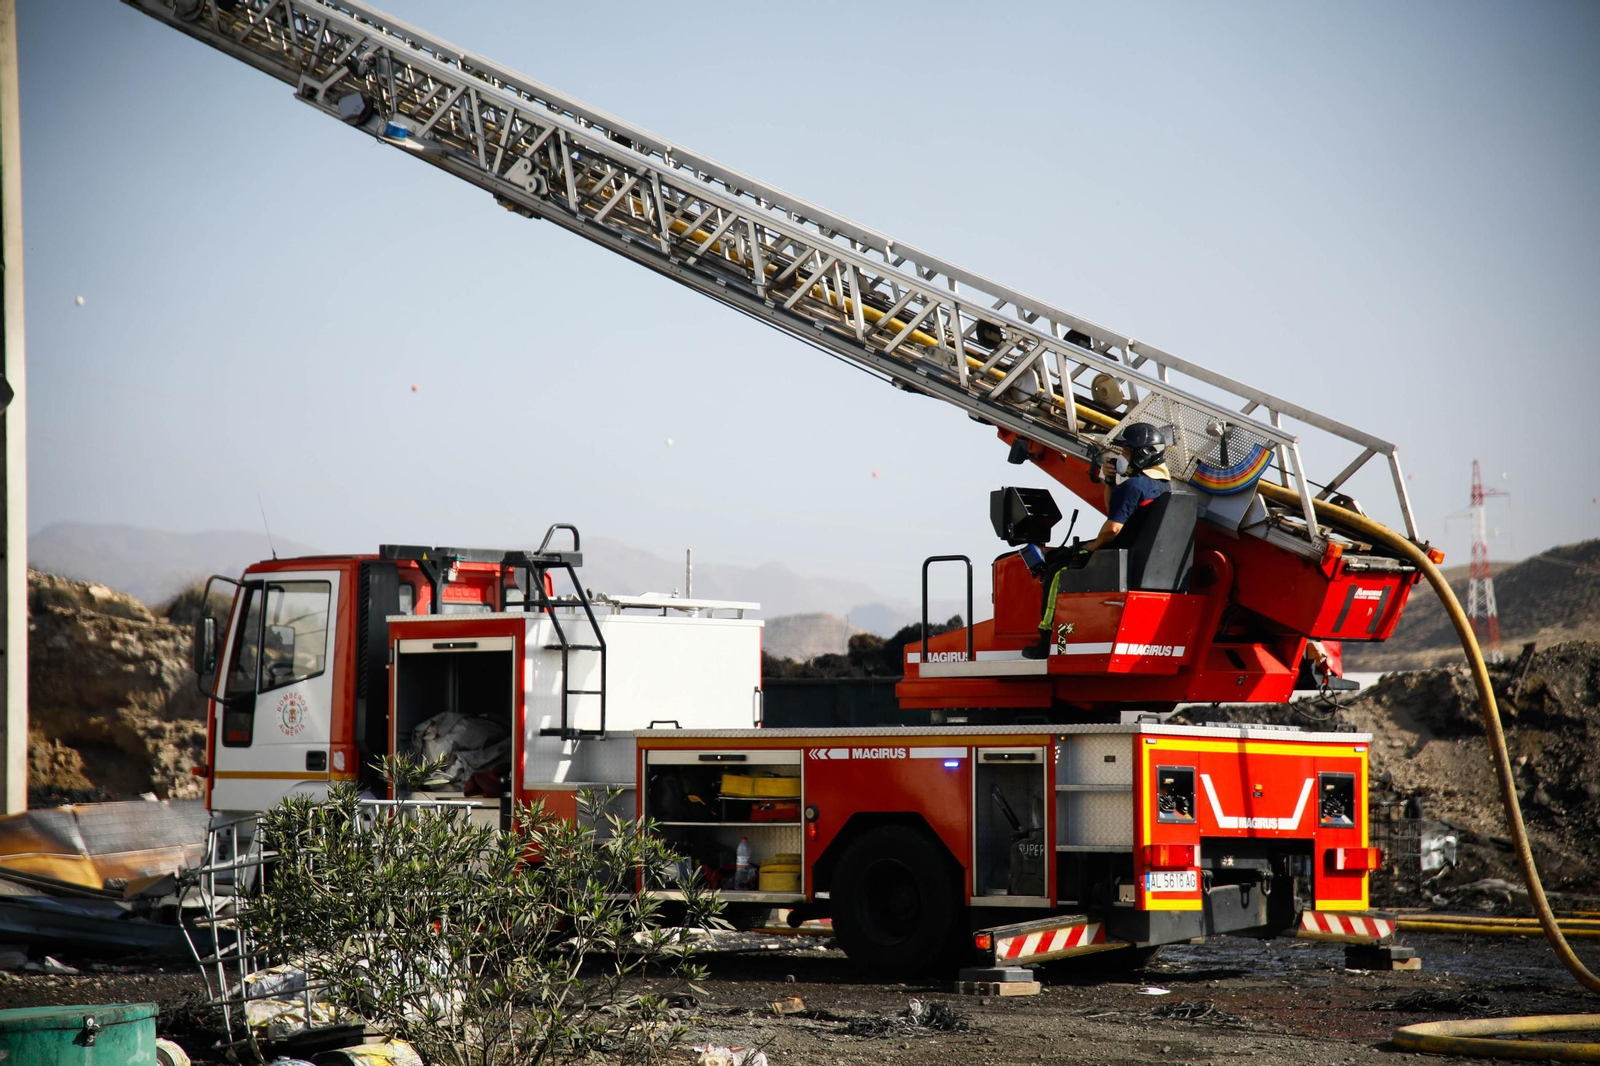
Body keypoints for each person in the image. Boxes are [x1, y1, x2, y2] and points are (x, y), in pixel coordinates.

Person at [1022, 423, 1171, 659]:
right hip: (1134, 553)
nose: (1121, 458)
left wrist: (1090, 547)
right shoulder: (1161, 486)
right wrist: (1110, 483)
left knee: (1056, 570)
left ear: (1142, 454)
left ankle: (1049, 643)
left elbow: (1112, 527)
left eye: (1126, 453)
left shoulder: (1133, 486)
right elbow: (1116, 509)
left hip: (1116, 552)